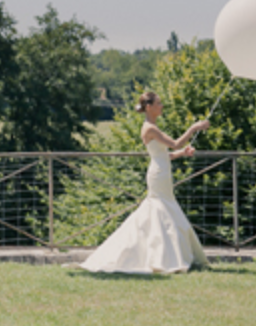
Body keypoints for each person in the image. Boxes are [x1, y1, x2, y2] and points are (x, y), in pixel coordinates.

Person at [79, 90, 210, 274]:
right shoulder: (149, 128)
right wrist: (194, 128)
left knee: (165, 210)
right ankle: (161, 256)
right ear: (149, 107)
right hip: (158, 175)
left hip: (162, 172)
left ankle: (169, 255)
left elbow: (167, 154)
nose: (161, 106)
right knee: (159, 210)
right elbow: (175, 143)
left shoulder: (153, 127)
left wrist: (182, 154)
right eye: (158, 103)